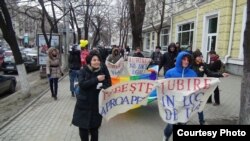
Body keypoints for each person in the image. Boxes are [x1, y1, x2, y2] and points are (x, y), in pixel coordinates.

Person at [72, 52, 112, 141]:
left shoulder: (102, 72)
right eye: (94, 60)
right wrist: (96, 79)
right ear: (89, 61)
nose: (96, 62)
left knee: (94, 130)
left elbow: (108, 84)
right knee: (83, 129)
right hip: (83, 105)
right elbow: (82, 84)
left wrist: (104, 88)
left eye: (98, 60)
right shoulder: (83, 71)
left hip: (96, 105)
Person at [164, 51, 197, 141]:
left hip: (186, 105)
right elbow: (165, 88)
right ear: (179, 60)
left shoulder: (193, 74)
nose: (186, 61)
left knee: (182, 124)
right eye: (184, 59)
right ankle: (166, 136)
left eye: (188, 60)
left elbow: (196, 88)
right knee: (171, 124)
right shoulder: (170, 73)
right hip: (173, 104)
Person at [191, 49, 229, 125]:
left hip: (199, 88)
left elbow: (210, 73)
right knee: (189, 105)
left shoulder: (203, 65)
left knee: (200, 105)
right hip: (190, 88)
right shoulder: (190, 65)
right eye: (198, 56)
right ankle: (183, 120)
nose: (200, 58)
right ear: (195, 57)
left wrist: (221, 74)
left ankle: (202, 121)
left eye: (201, 56)